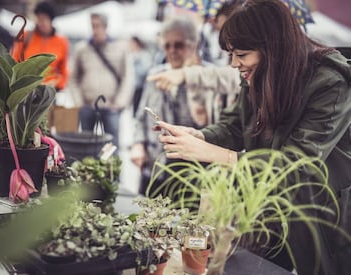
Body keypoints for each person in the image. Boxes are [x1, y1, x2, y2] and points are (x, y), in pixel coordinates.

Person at [153, 0, 351, 274]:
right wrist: (200, 135)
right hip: (264, 215)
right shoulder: (258, 74)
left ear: (273, 49)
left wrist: (219, 155)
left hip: (316, 216)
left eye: (241, 54)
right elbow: (236, 126)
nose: (234, 64)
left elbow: (298, 163)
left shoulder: (331, 83)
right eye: (231, 55)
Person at [130, 17, 239, 196]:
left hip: (197, 169)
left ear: (194, 44)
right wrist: (138, 144)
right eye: (167, 46)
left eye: (178, 45)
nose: (172, 51)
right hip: (158, 164)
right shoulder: (156, 74)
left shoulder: (210, 76)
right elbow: (142, 116)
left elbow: (224, 125)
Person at [72, 12, 134, 149]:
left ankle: (111, 171)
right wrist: (79, 102)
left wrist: (119, 102)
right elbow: (74, 78)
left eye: (98, 26)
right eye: (92, 26)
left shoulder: (119, 48)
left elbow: (128, 77)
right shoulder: (82, 49)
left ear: (105, 27)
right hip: (87, 106)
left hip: (111, 106)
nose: (95, 30)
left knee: (111, 146)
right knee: (87, 145)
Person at [12, 1, 69, 92]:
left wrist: (58, 85)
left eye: (44, 19)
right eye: (38, 18)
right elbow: (13, 61)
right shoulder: (25, 36)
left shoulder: (62, 42)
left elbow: (64, 71)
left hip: (49, 91)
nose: (40, 22)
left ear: (51, 19)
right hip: (26, 90)